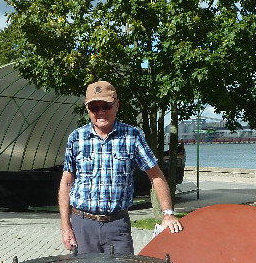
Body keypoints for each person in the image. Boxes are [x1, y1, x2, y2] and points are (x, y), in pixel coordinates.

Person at [58, 80, 182, 254]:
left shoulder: (133, 136)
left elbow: (156, 175)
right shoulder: (76, 138)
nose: (100, 112)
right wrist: (66, 226)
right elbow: (66, 183)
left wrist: (168, 214)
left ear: (117, 105)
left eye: (106, 106)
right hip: (82, 226)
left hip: (117, 226)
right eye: (94, 108)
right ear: (88, 110)